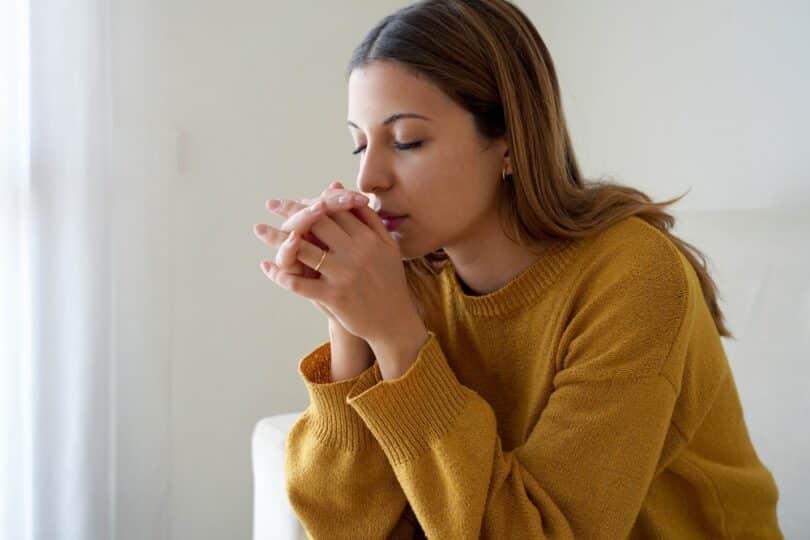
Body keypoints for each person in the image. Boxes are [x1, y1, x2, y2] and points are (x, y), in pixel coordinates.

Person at [252, 1, 783, 538]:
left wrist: (395, 336)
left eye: (407, 140)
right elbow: (348, 525)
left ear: (508, 138)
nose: (369, 178)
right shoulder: (407, 273)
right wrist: (348, 323)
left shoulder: (632, 277)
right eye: (359, 145)